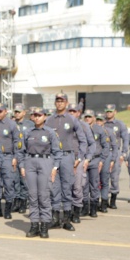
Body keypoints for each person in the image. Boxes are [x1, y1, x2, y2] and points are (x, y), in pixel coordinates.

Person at [45, 93, 87, 231]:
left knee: (67, 188)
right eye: (57, 101)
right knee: (54, 188)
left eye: (62, 101)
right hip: (53, 157)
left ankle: (67, 219)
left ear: (66, 103)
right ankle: (55, 218)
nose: (59, 103)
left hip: (67, 157)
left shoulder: (72, 120)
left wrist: (79, 157)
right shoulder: (49, 120)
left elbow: (83, 140)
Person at [19, 107, 62, 238]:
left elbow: (57, 152)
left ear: (44, 116)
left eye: (39, 115)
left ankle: (44, 226)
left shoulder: (50, 133)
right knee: (32, 196)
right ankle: (34, 225)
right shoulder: (27, 132)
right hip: (30, 162)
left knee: (44, 196)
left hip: (45, 163)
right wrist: (22, 166)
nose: (36, 117)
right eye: (34, 115)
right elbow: (21, 151)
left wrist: (55, 168)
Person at [0, 103, 22, 219]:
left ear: (5, 112)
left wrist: (15, 157)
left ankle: (8, 210)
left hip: (7, 157)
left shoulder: (12, 124)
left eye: (0, 111)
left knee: (9, 184)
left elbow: (17, 142)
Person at [68, 103, 95, 223]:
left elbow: (92, 143)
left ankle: (76, 213)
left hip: (79, 160)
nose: (72, 113)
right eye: (70, 111)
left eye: (74, 111)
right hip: (65, 159)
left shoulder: (84, 126)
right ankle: (67, 212)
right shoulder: (63, 125)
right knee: (64, 188)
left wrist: (87, 158)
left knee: (77, 187)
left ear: (79, 113)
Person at [82, 110, 110, 217]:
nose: (88, 119)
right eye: (86, 117)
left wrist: (102, 160)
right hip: (84, 160)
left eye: (90, 117)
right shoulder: (81, 128)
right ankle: (84, 207)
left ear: (94, 117)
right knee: (83, 184)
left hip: (95, 160)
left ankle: (93, 208)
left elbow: (106, 146)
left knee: (94, 185)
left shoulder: (99, 129)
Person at [103, 104, 129, 209]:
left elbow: (125, 139)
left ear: (115, 112)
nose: (109, 113)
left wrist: (124, 153)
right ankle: (104, 200)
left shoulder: (120, 124)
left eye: (111, 111)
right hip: (103, 152)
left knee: (114, 177)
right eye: (107, 111)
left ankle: (113, 200)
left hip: (115, 152)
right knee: (103, 177)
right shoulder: (101, 122)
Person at [12, 103, 34, 214]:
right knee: (14, 180)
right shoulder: (11, 124)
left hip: (25, 155)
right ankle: (16, 202)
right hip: (13, 154)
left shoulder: (30, 124)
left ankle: (23, 202)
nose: (16, 114)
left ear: (24, 113)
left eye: (19, 112)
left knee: (24, 180)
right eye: (15, 112)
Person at [96, 113, 118, 213]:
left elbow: (114, 147)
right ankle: (94, 203)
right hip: (96, 156)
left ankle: (104, 203)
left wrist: (113, 160)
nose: (99, 122)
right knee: (94, 181)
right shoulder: (92, 130)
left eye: (101, 120)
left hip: (107, 156)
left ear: (104, 121)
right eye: (97, 120)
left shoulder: (109, 131)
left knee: (104, 181)